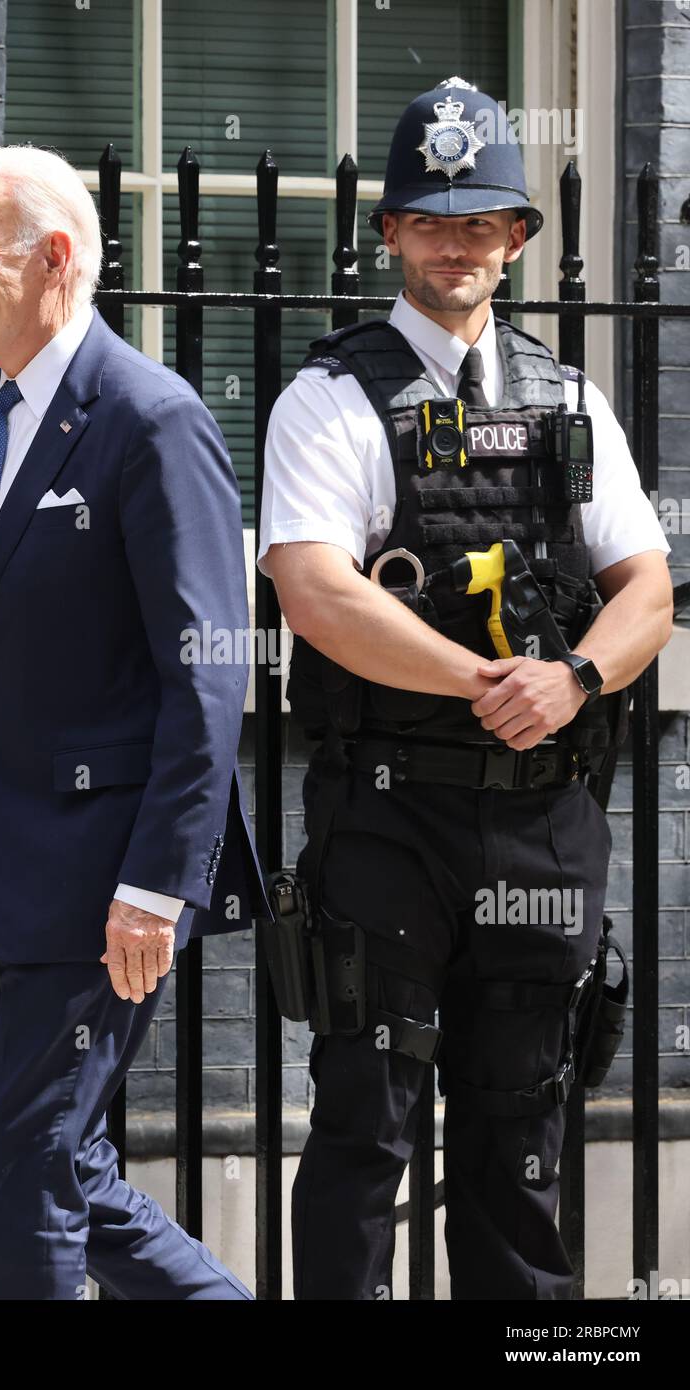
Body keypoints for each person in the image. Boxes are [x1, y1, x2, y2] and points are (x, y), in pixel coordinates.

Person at [258, 77, 673, 1300]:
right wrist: (489, 682)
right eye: (432, 220)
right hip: (389, 820)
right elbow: (315, 591)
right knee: (363, 1137)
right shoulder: (330, 397)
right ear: (390, 235)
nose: (457, 241)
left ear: (517, 241)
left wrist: (577, 678)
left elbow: (648, 588)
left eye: (481, 220)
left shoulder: (569, 403)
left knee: (520, 1142)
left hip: (543, 825)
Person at [0, 144, 271, 1300]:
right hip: (6, 874)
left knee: (24, 1164)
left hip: (106, 884)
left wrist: (161, 882)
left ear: (54, 260)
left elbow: (208, 672)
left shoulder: (151, 420)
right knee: (67, 1168)